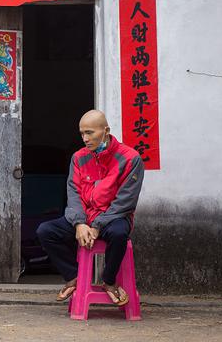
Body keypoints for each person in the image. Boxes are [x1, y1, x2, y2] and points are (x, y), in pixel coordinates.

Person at [36, 110, 144, 306]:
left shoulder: (131, 159)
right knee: (46, 231)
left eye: (90, 133)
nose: (85, 138)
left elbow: (124, 202)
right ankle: (75, 277)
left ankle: (109, 281)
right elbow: (74, 193)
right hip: (84, 220)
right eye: (82, 134)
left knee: (120, 234)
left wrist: (98, 225)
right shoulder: (78, 158)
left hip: (113, 219)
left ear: (106, 131)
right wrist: (79, 223)